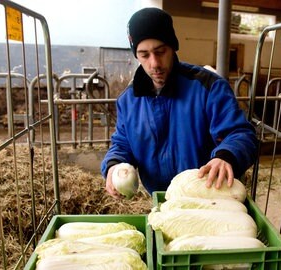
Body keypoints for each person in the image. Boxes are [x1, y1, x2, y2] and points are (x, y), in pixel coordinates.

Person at [101, 7, 258, 198]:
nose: (154, 63)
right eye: (144, 55)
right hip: (160, 201)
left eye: (160, 51)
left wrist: (226, 156)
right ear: (136, 55)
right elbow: (123, 143)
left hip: (208, 198)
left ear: (173, 47)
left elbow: (240, 133)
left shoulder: (208, 87)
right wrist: (114, 164)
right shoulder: (129, 100)